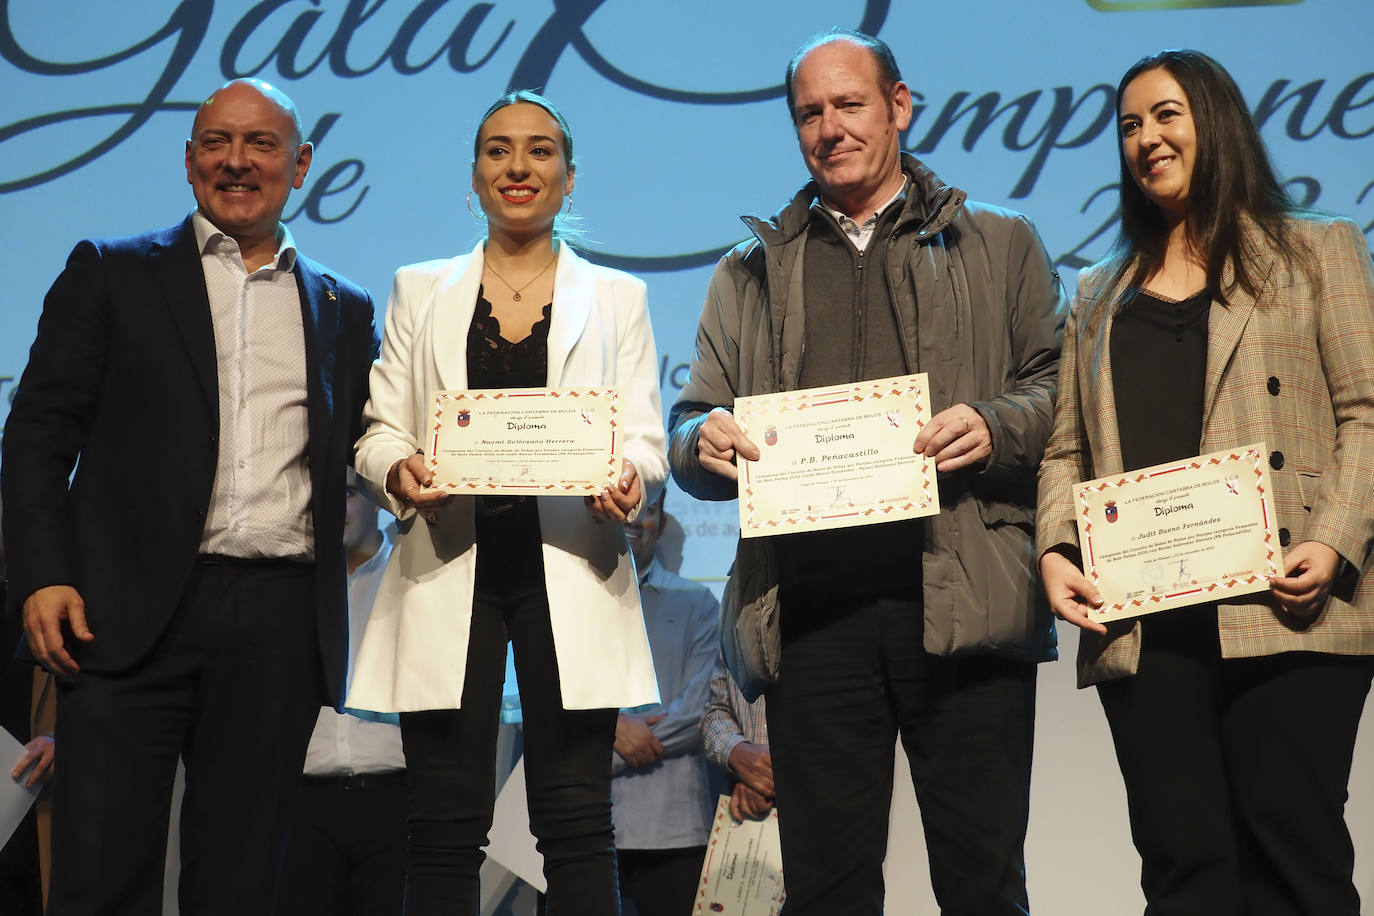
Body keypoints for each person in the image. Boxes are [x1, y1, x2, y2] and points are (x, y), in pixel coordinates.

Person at [668, 28, 1065, 916]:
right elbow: (690, 420)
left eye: (849, 105)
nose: (829, 128)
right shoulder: (749, 271)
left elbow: (1060, 391)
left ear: (899, 107)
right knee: (828, 888)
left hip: (960, 602)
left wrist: (994, 427)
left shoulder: (999, 242)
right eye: (809, 112)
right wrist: (704, 442)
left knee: (983, 881)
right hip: (814, 615)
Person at [0, 78, 378, 915]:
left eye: (262, 144)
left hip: (278, 618)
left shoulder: (345, 307)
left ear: (302, 164)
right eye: (216, 142)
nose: (237, 161)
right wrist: (40, 574)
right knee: (100, 874)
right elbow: (35, 436)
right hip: (122, 612)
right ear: (189, 160)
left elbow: (374, 443)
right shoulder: (111, 271)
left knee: (244, 884)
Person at [1036, 49, 1374, 916]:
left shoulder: (1314, 250)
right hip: (1149, 626)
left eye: (1166, 116)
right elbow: (1066, 451)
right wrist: (1054, 547)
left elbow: (1368, 411)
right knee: (1183, 873)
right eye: (1129, 125)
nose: (1146, 139)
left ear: (1214, 122)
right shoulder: (1097, 293)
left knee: (1292, 859)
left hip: (1287, 607)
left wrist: (1333, 538)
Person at [345, 90, 667, 914]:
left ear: (568, 177)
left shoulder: (617, 297)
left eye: (538, 151)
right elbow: (380, 430)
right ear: (474, 177)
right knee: (444, 829)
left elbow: (642, 438)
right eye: (497, 150)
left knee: (578, 826)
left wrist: (632, 479)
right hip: (451, 566)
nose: (517, 166)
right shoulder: (420, 289)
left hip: (572, 565)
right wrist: (399, 472)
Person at [280, 470, 405, 916]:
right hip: (303, 802)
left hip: (396, 800)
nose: (334, 509)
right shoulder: (290, 587)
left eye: (348, 495)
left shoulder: (409, 577)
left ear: (377, 502)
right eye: (323, 497)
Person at [612, 492, 718, 915]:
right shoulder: (567, 606)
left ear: (662, 519)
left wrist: (604, 745)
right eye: (627, 509)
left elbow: (698, 710)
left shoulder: (697, 603)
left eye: (649, 510)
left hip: (676, 826)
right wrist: (608, 728)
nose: (637, 520)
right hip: (583, 825)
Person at [700, 654, 771, 824]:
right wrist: (737, 753)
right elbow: (716, 711)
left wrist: (763, 778)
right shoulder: (731, 629)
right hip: (747, 806)